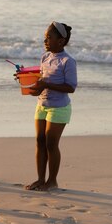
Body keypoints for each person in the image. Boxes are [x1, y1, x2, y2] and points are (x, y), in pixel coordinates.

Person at [25, 21, 77, 191]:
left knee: (51, 143)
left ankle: (52, 181)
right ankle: (40, 179)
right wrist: (33, 89)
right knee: (40, 141)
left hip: (59, 107)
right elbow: (41, 82)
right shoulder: (45, 57)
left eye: (49, 38)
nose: (45, 41)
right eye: (45, 38)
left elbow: (71, 87)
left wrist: (46, 85)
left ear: (61, 41)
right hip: (42, 105)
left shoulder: (68, 61)